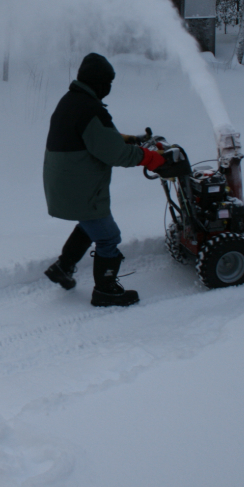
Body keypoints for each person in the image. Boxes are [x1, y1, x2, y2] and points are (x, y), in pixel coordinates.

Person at [42, 53, 164, 307]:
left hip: (64, 181)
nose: (109, 88)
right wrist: (150, 158)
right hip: (79, 184)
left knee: (91, 223)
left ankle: (63, 267)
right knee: (108, 236)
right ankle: (106, 290)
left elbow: (100, 137)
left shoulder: (73, 100)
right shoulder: (90, 108)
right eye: (107, 83)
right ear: (99, 83)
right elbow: (113, 152)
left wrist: (131, 139)